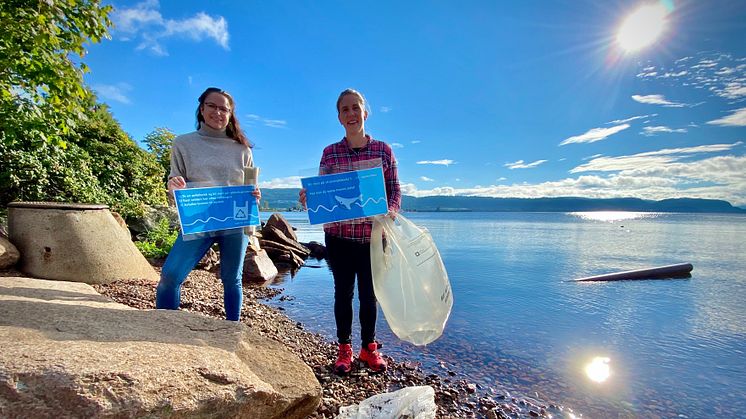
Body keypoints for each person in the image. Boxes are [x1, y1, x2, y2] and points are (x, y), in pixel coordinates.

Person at [299, 89, 401, 374]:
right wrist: (310, 197)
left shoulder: (383, 150)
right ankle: (344, 349)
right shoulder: (329, 153)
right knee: (342, 294)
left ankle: (368, 349)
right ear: (339, 117)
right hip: (339, 238)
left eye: (355, 108)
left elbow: (394, 190)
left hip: (372, 238)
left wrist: (390, 213)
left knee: (370, 296)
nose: (351, 114)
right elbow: (321, 191)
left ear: (365, 113)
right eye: (345, 110)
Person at [156, 87, 260, 322]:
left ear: (230, 114)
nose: (218, 112)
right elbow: (175, 181)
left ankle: (232, 329)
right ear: (201, 109)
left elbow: (250, 188)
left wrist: (255, 195)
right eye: (212, 106)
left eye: (224, 109)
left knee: (232, 279)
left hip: (235, 221)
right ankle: (164, 325)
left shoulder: (243, 149)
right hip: (198, 219)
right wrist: (174, 186)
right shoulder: (183, 143)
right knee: (170, 275)